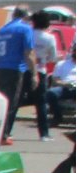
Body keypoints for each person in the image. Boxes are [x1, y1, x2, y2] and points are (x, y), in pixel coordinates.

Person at [0, 7, 36, 146]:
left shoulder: (2, 30)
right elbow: (28, 52)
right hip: (15, 69)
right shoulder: (25, 29)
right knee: (11, 103)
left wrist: (0, 63)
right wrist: (34, 73)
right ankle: (4, 135)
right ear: (26, 16)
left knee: (2, 101)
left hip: (1, 68)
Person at [31, 12, 59, 141]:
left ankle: (7, 132)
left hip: (23, 70)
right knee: (41, 103)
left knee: (15, 102)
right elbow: (52, 57)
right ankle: (44, 133)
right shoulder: (49, 38)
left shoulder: (28, 34)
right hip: (40, 70)